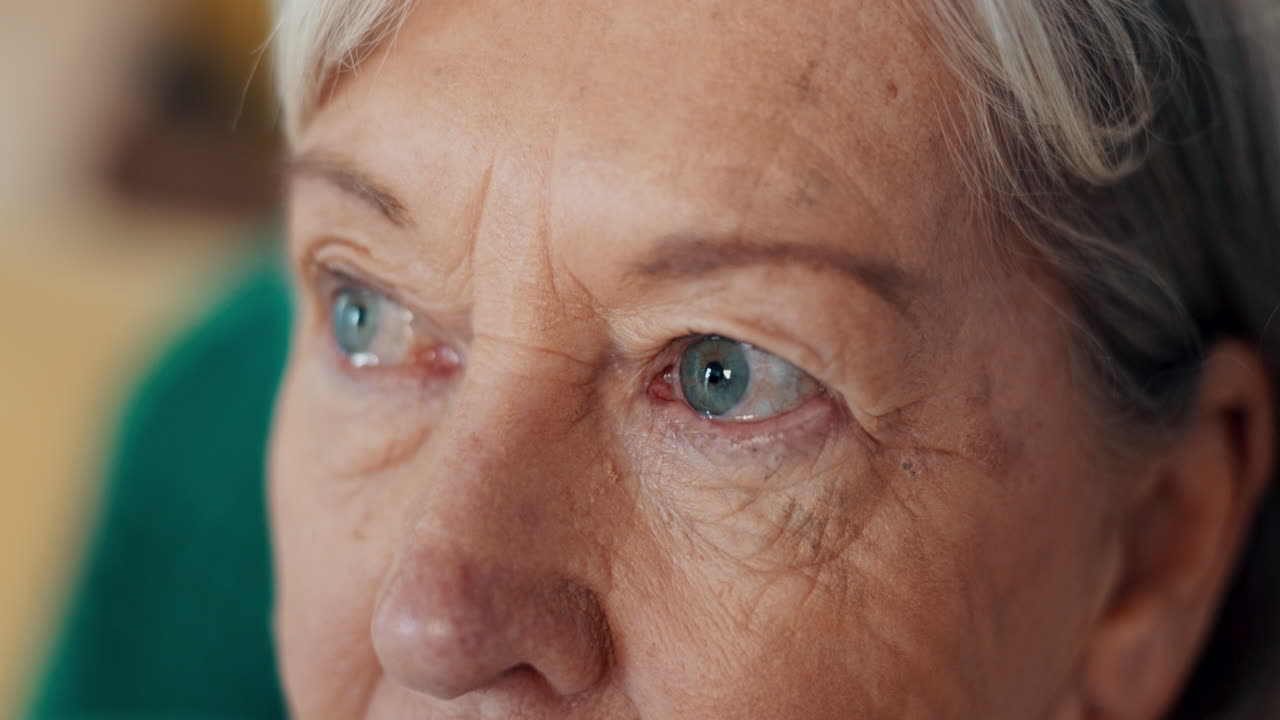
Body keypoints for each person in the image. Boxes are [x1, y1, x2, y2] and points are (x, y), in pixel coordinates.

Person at [36, 0, 1280, 718]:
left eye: (724, 374)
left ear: (1153, 548)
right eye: (367, 312)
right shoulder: (207, 451)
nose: (431, 621)